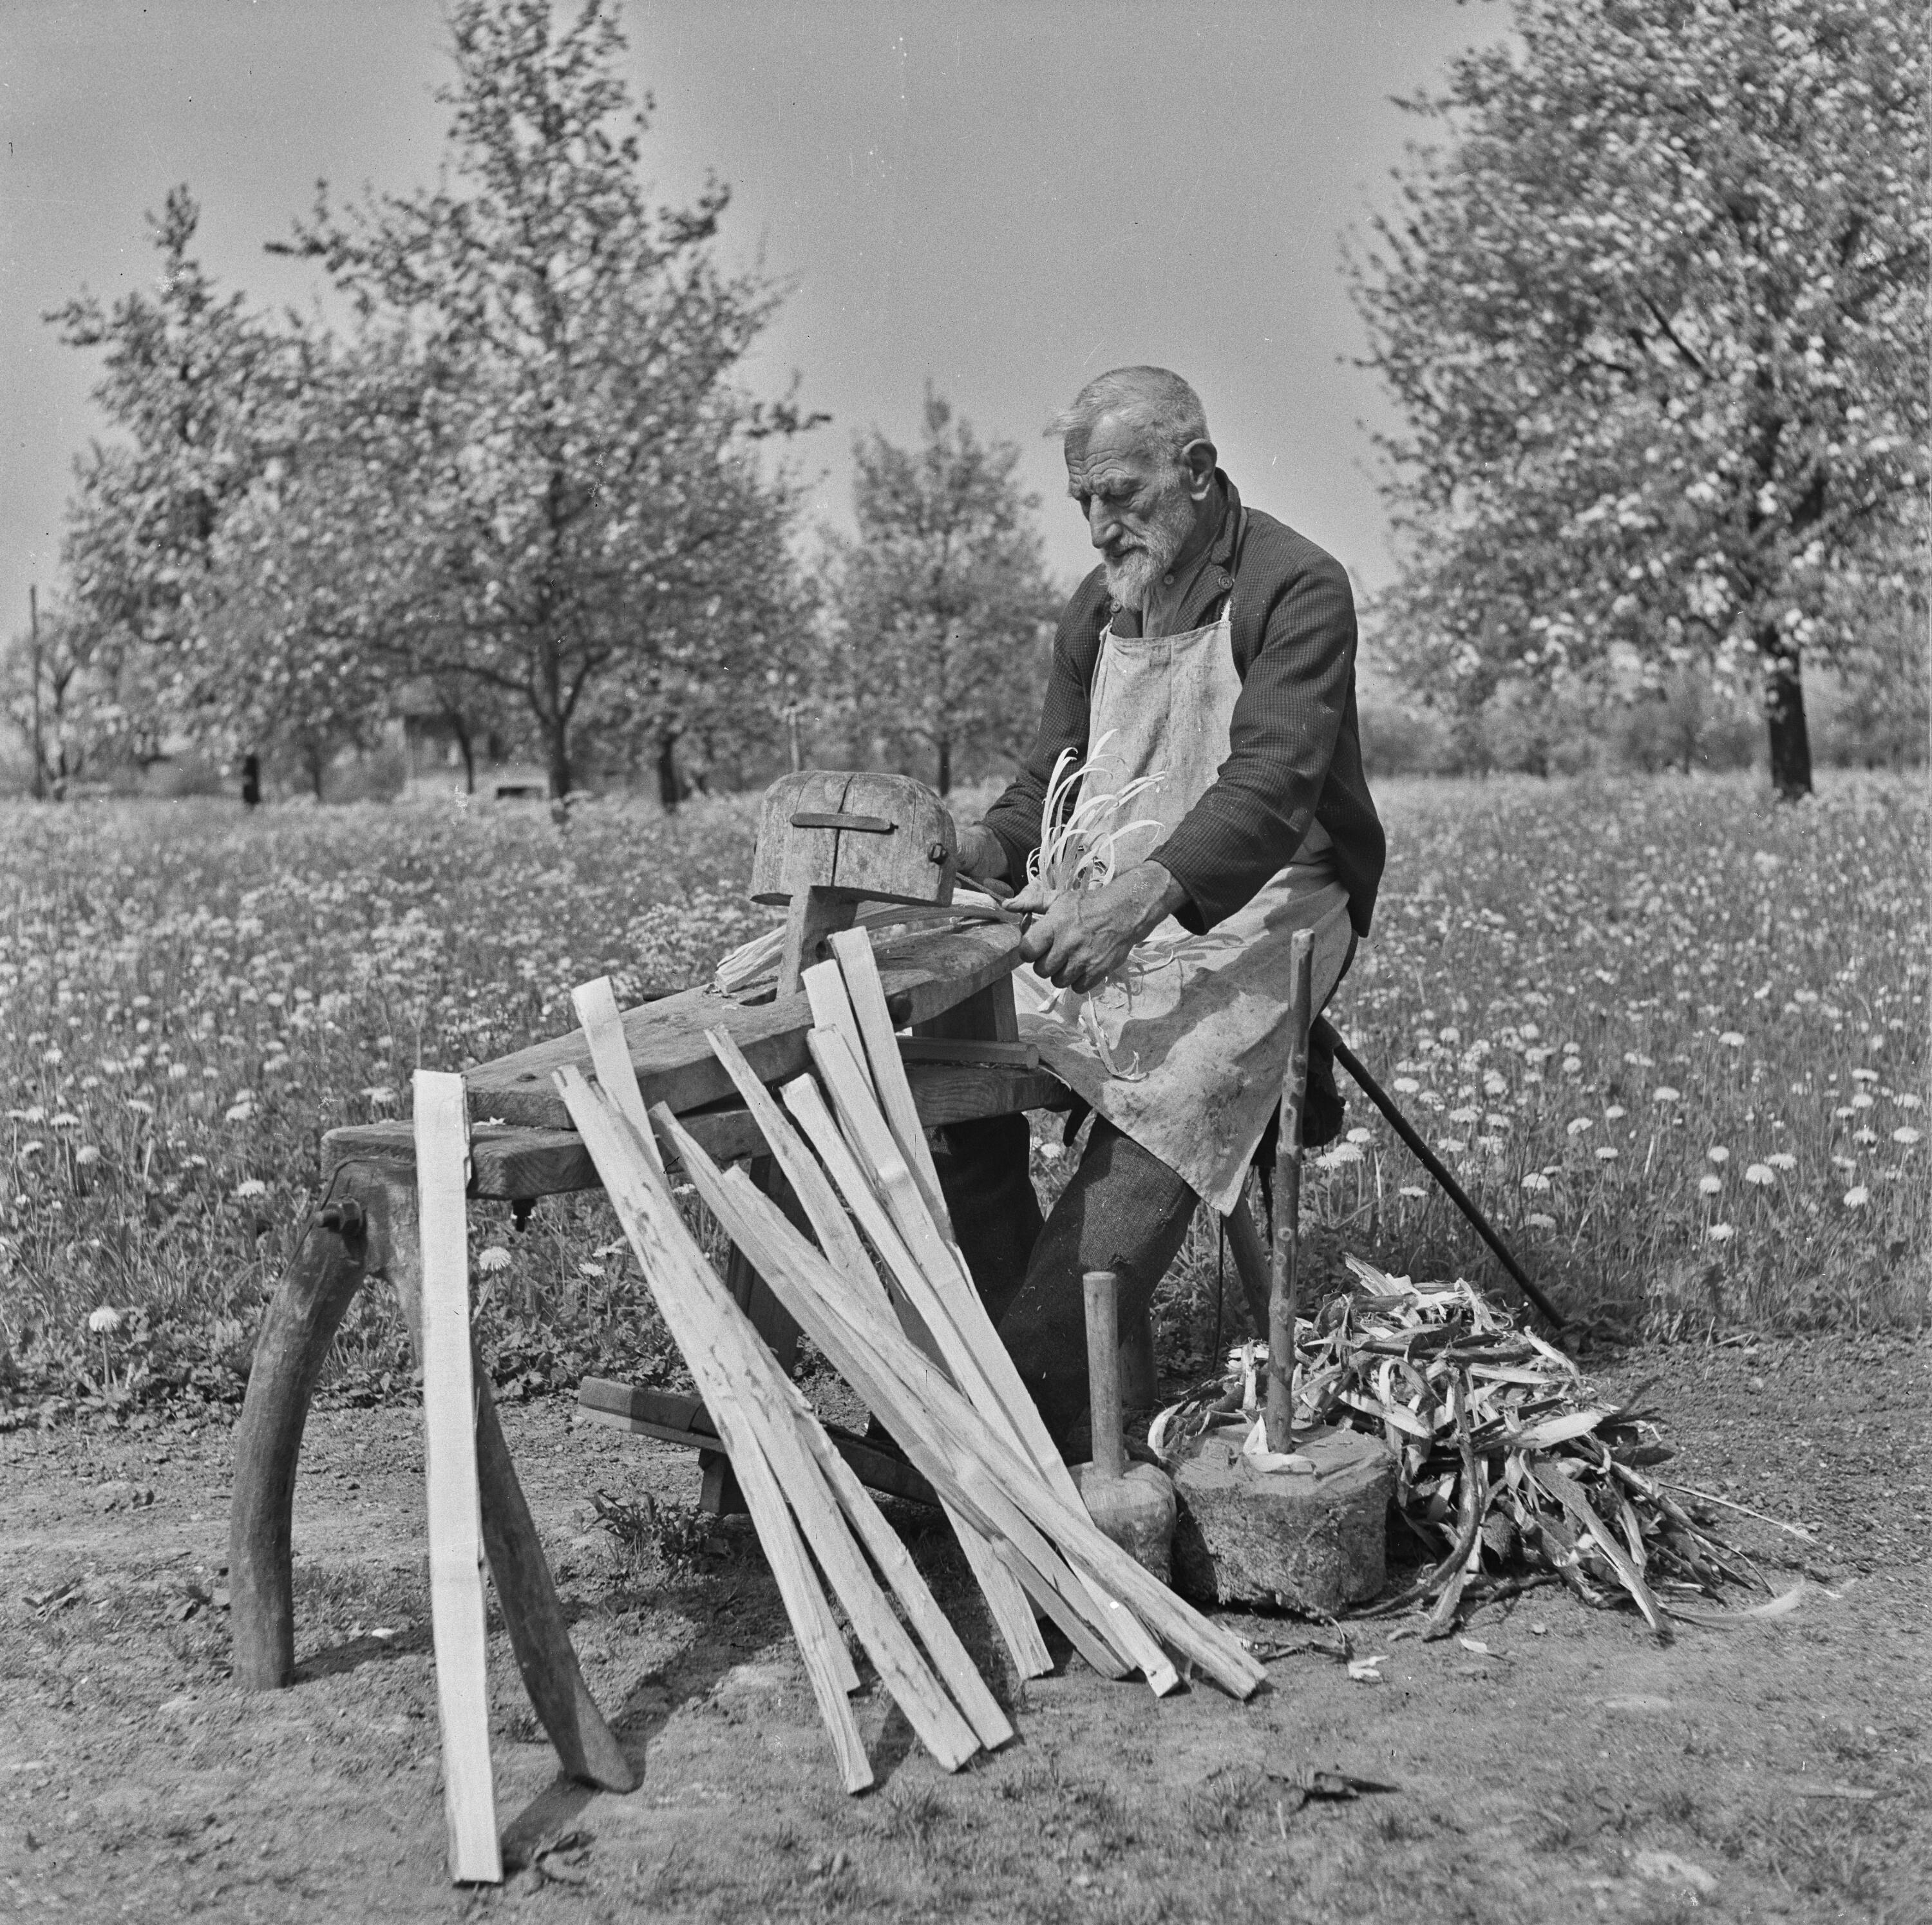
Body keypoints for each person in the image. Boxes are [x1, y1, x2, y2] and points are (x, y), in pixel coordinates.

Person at [939, 366, 1385, 1445]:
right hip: (1110, 901)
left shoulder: (1296, 587)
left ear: (1194, 471)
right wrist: (969, 851)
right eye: (1083, 499)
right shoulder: (1098, 610)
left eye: (1121, 494)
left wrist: (1137, 902)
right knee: (961, 1082)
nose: (1098, 526)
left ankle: (1015, 1421)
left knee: (1165, 1114)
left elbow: (1272, 790)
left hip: (1268, 906)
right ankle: (1073, 1395)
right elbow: (1045, 779)